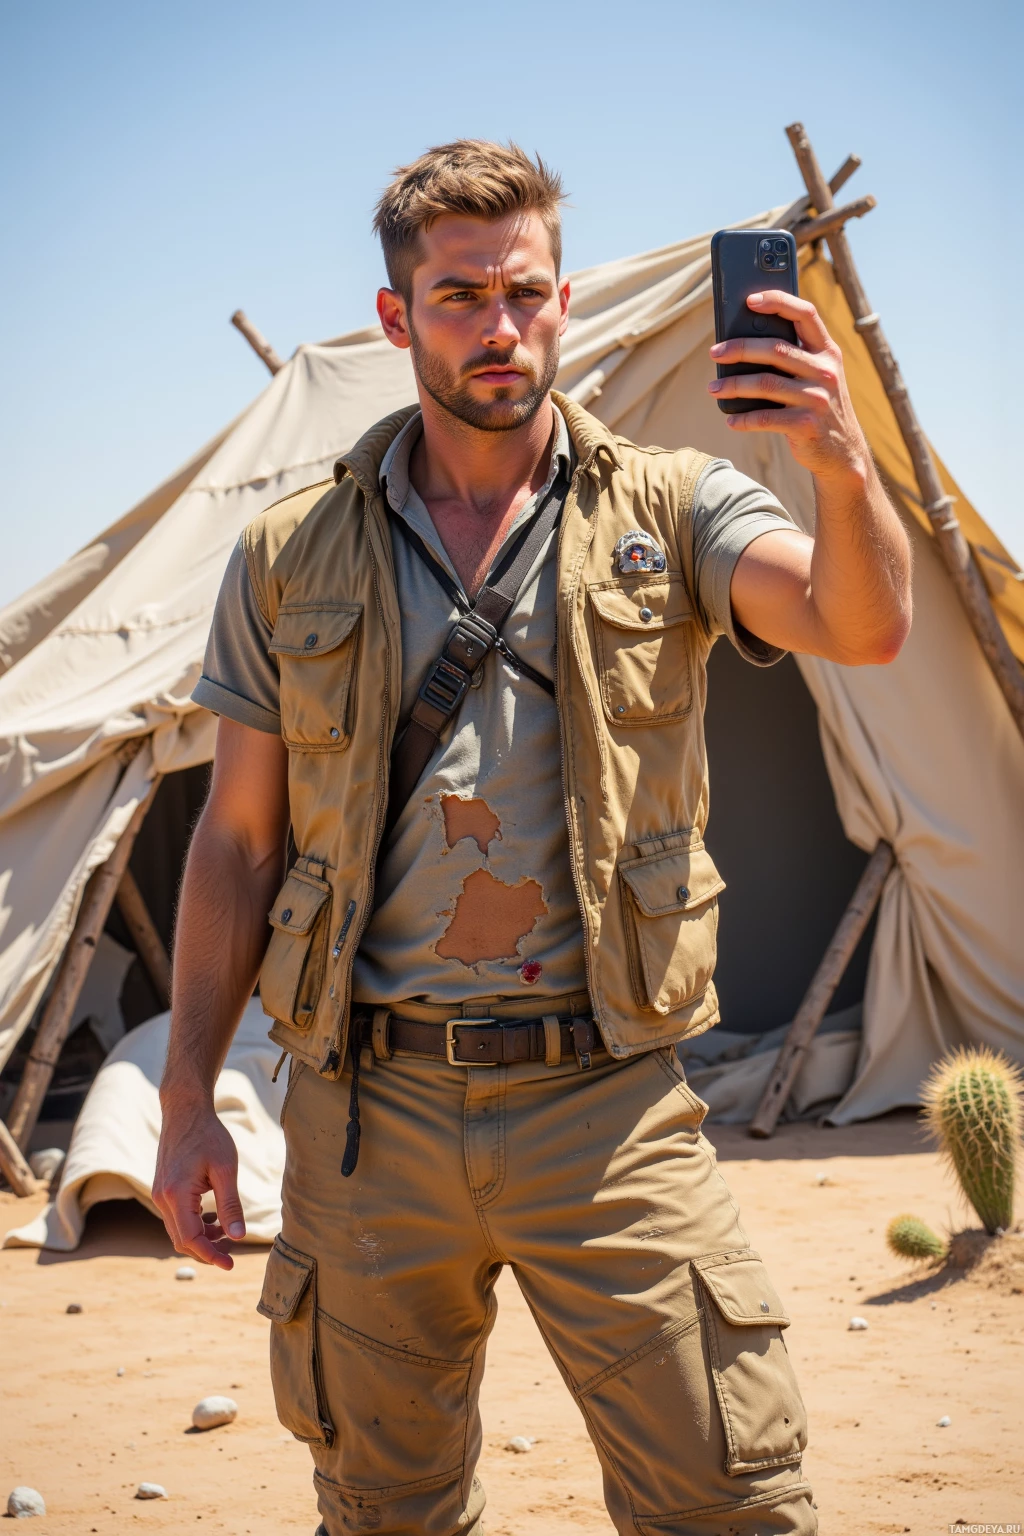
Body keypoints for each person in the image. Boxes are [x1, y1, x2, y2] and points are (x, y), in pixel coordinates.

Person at [153, 140, 911, 1536]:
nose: (498, 326)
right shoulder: (289, 554)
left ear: (562, 302)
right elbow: (237, 840)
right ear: (398, 320)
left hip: (607, 1108)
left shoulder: (673, 508)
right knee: (385, 1511)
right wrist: (188, 1098)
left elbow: (862, 625)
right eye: (458, 297)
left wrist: (840, 458)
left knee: (731, 1503)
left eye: (525, 292)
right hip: (368, 1115)